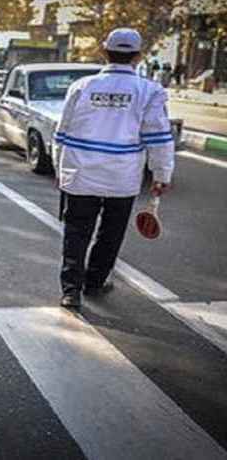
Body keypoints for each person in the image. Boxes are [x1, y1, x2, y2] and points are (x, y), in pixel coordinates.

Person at [53, 28, 174, 309]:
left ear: (104, 51)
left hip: (81, 174)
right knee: (111, 233)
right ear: (138, 56)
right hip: (122, 177)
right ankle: (95, 282)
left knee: (76, 233)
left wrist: (62, 170)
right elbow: (158, 137)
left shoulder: (81, 87)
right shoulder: (149, 91)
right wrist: (161, 174)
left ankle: (71, 291)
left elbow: (62, 132)